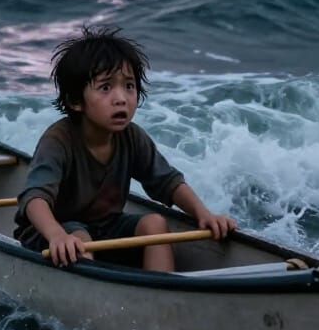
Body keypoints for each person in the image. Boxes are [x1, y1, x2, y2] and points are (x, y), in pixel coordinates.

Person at [14, 26, 238, 270]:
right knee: (79, 238)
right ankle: (94, 300)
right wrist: (57, 235)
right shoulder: (58, 140)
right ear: (75, 101)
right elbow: (34, 199)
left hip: (106, 228)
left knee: (154, 223)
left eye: (129, 86)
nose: (121, 98)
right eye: (106, 87)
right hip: (50, 233)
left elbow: (168, 182)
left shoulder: (132, 137)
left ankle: (160, 292)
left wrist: (203, 213)